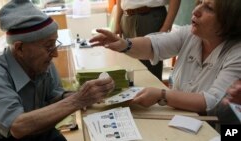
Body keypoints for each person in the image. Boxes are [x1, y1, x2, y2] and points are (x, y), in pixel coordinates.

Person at [90, 0, 241, 123]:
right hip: (180, 118)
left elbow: (211, 101)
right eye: (199, 2)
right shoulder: (190, 33)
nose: (196, 11)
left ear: (229, 19)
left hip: (210, 128)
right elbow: (153, 45)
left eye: (208, 8)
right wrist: (124, 44)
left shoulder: (237, 53)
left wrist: (162, 95)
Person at [0, 0, 114, 140]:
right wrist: (78, 100)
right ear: (20, 48)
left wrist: (88, 95)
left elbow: (54, 95)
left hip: (43, 133)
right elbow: (17, 126)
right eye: (49, 46)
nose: (55, 54)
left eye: (55, 44)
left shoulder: (41, 63)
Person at [114, 0, 181, 80]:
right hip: (126, 18)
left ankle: (153, 92)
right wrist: (117, 22)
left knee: (150, 72)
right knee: (130, 69)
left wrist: (166, 27)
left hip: (151, 16)